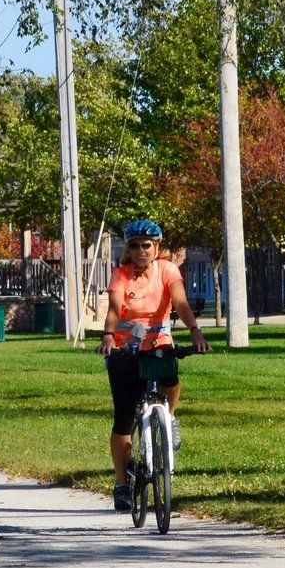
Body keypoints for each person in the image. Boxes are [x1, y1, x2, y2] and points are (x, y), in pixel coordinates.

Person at [99, 219, 210, 514]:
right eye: (134, 246)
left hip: (158, 341)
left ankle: (169, 418)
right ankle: (122, 483)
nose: (140, 251)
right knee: (124, 417)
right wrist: (109, 336)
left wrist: (195, 330)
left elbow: (181, 302)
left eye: (146, 245)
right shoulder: (120, 275)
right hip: (125, 346)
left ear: (156, 247)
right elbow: (113, 309)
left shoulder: (167, 270)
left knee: (170, 378)